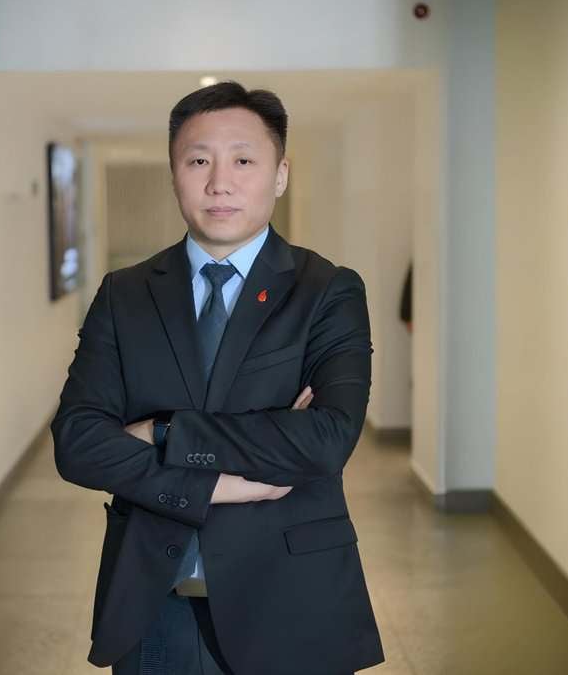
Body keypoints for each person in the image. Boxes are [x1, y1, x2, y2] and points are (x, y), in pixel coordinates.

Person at [52, 81, 384, 675]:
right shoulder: (124, 295)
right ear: (175, 172)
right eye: (199, 160)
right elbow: (77, 443)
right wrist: (224, 480)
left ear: (280, 174)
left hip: (291, 601)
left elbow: (328, 439)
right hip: (156, 607)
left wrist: (161, 430)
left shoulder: (327, 291)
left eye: (244, 160)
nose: (219, 182)